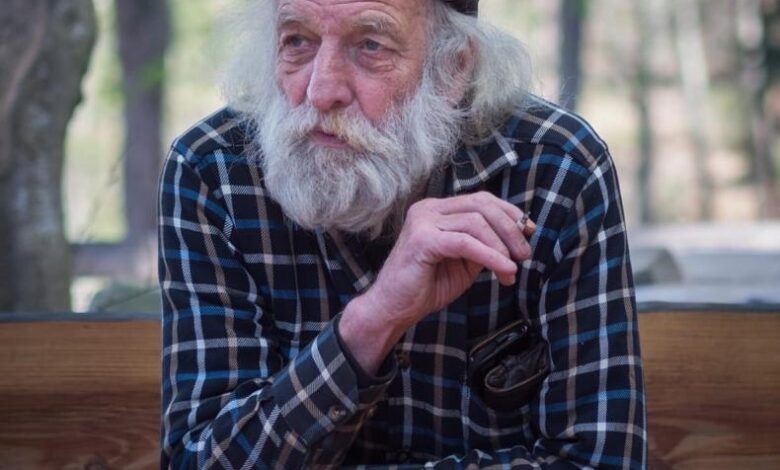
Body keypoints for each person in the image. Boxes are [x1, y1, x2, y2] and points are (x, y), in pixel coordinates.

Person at [158, 0, 647, 468]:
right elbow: (200, 458)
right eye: (298, 41)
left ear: (453, 68)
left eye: (370, 45)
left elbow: (598, 460)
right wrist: (374, 319)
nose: (320, 90)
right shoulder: (212, 172)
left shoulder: (556, 171)